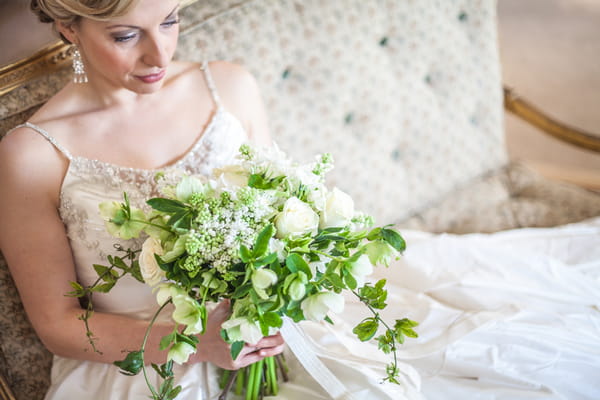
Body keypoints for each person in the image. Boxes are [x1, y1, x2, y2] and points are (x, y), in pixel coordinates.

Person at [0, 1, 422, 399]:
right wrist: (196, 343)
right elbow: (57, 325)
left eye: (169, 21)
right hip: (146, 368)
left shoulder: (229, 85)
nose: (159, 56)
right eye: (126, 36)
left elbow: (279, 206)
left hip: (275, 331)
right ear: (69, 28)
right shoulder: (31, 156)